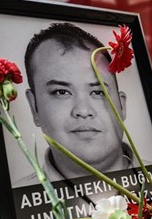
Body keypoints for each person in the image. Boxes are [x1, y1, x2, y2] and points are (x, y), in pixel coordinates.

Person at [21, 22, 139, 184]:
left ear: (122, 106)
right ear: (34, 108)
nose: (83, 110)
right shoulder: (17, 200)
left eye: (98, 92)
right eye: (61, 92)